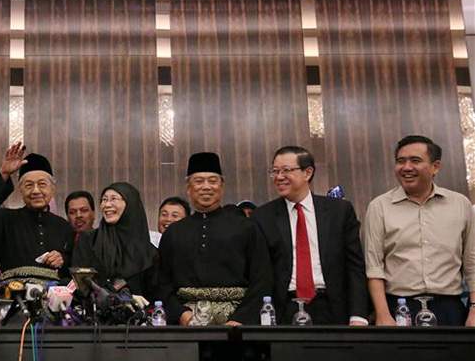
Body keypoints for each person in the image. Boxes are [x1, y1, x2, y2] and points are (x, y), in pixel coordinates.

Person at [362, 135, 475, 326]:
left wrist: (473, 309)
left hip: (450, 307)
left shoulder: (460, 204)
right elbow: (373, 266)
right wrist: (382, 313)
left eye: (415, 161)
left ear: (435, 166)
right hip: (399, 307)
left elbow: (472, 262)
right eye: (400, 161)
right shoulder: (379, 207)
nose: (406, 167)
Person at [252, 146, 368, 325]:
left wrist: (358, 315)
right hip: (283, 310)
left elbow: (354, 266)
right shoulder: (263, 216)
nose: (279, 177)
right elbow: (260, 274)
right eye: (275, 171)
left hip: (331, 307)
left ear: (307, 173)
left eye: (286, 170)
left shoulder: (339, 212)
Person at [156, 152, 273, 325]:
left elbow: (262, 279)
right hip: (186, 324)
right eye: (199, 181)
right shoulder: (173, 232)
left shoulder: (246, 228)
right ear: (188, 188)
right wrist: (182, 315)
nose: (206, 187)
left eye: (212, 181)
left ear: (222, 186)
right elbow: (162, 282)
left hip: (237, 325)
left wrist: (239, 319)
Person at [0, 142, 75, 281]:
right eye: (28, 185)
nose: (36, 191)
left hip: (53, 293)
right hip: (13, 292)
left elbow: (75, 265)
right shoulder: (5, 220)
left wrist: (62, 260)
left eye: (42, 184)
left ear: (52, 189)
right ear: (20, 191)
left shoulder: (65, 227)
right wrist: (4, 174)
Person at [71, 182, 155, 296]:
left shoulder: (149, 252)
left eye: (113, 199)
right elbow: (81, 284)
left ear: (131, 204)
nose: (107, 205)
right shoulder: (88, 240)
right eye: (104, 200)